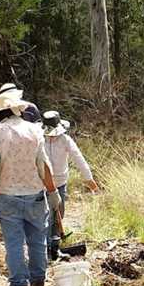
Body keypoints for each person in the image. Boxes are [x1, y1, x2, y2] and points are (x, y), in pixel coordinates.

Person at [0, 87, 63, 286]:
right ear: (17, 109)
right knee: (37, 241)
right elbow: (44, 166)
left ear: (0, 113)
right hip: (35, 195)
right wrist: (52, 192)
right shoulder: (35, 130)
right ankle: (38, 282)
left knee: (14, 244)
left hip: (7, 196)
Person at [41, 110, 99, 259]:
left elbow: (78, 158)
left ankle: (54, 246)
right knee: (46, 216)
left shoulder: (65, 140)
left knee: (59, 212)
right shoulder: (39, 140)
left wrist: (89, 179)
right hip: (43, 184)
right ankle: (46, 249)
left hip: (60, 183)